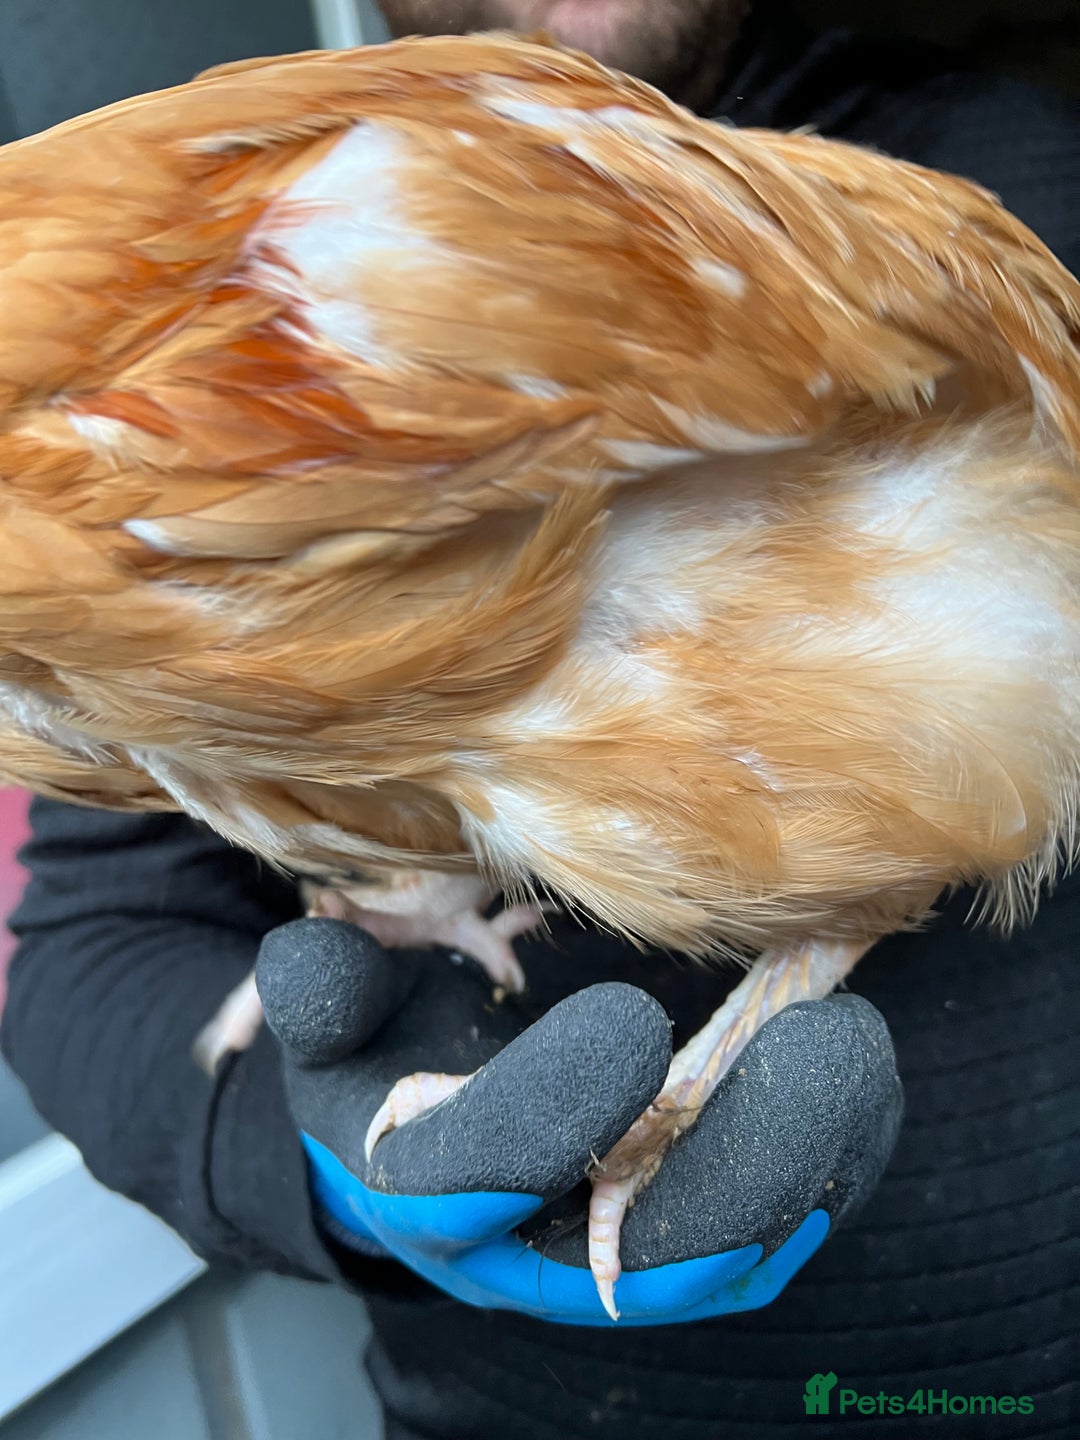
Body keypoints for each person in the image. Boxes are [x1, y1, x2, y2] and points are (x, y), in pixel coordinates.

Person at [3, 1, 1077, 1435]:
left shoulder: (1019, 159)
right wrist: (322, 1162)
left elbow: (982, 692)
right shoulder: (137, 450)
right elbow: (94, 942)